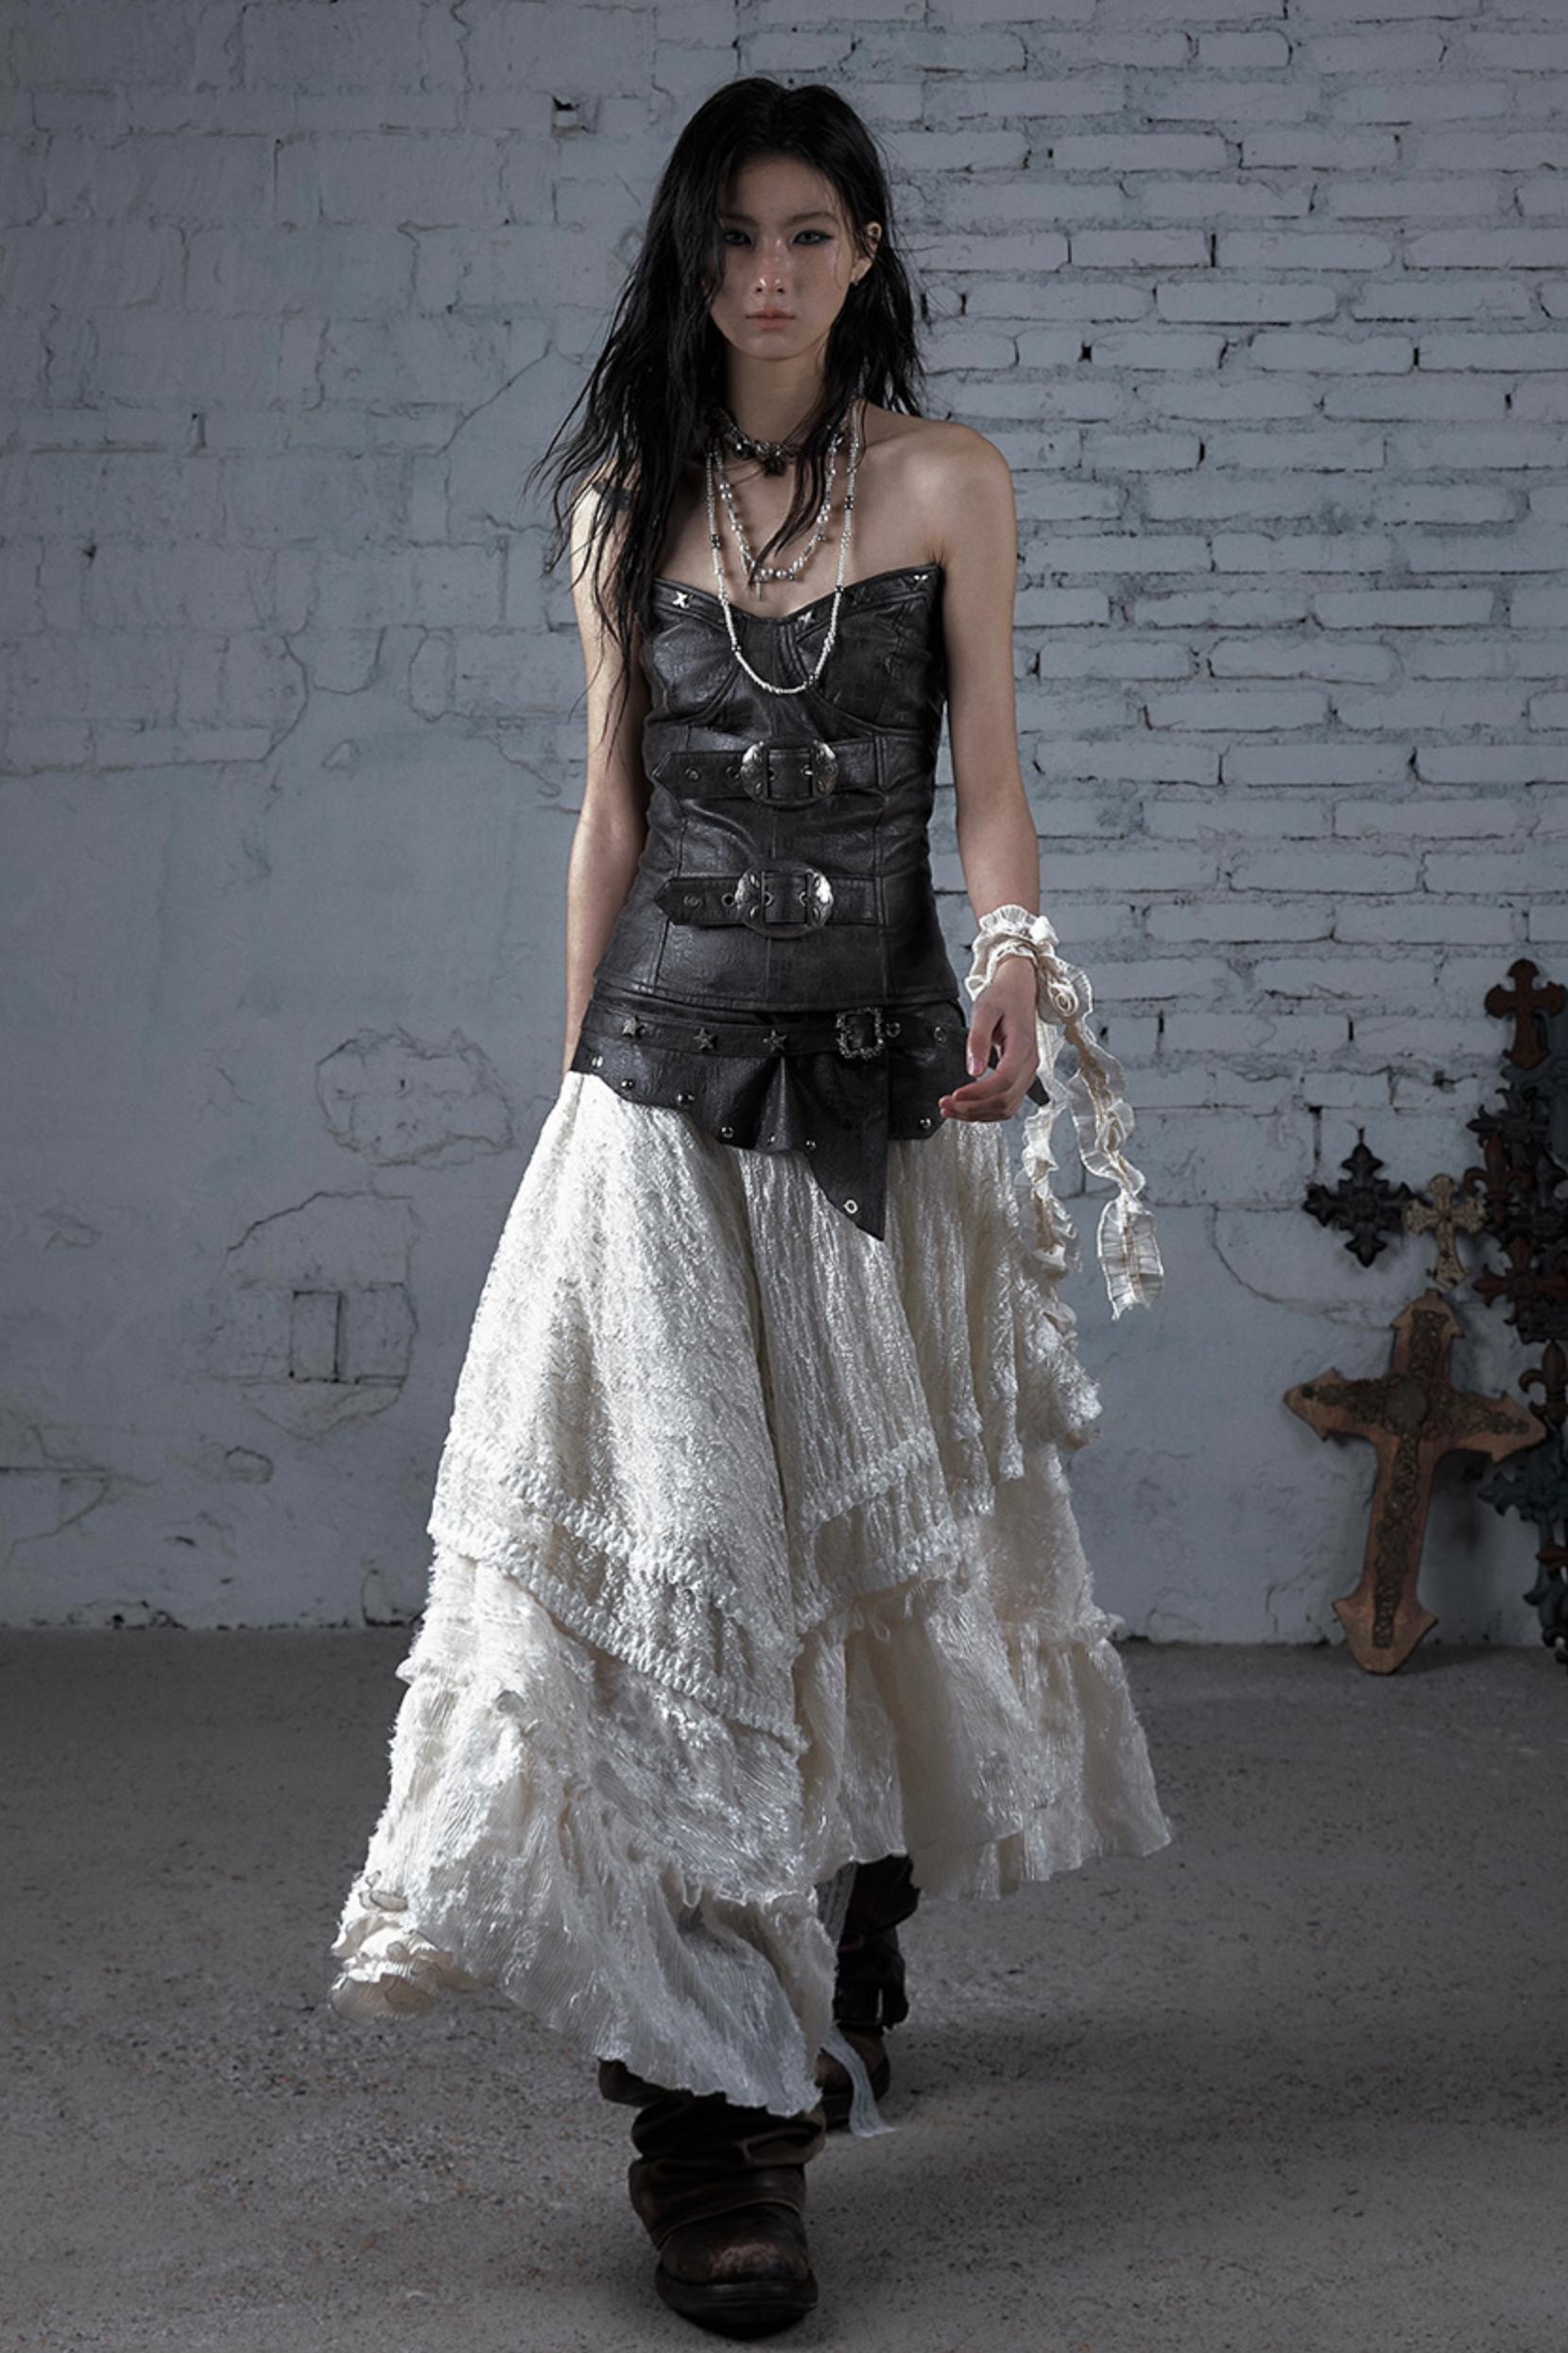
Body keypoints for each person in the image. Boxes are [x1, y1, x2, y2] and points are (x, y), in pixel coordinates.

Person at [328, 74, 1172, 2341]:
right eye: (729, 239)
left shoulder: (948, 483)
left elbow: (986, 790)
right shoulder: (622, 508)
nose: (766, 275)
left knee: (852, 1553)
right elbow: (606, 819)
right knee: (686, 1568)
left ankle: (845, 1932)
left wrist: (1013, 961)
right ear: (689, 265)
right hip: (656, 1089)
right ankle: (712, 2124)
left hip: (877, 1083)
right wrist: (571, 1093)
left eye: (805, 233)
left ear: (862, 249)